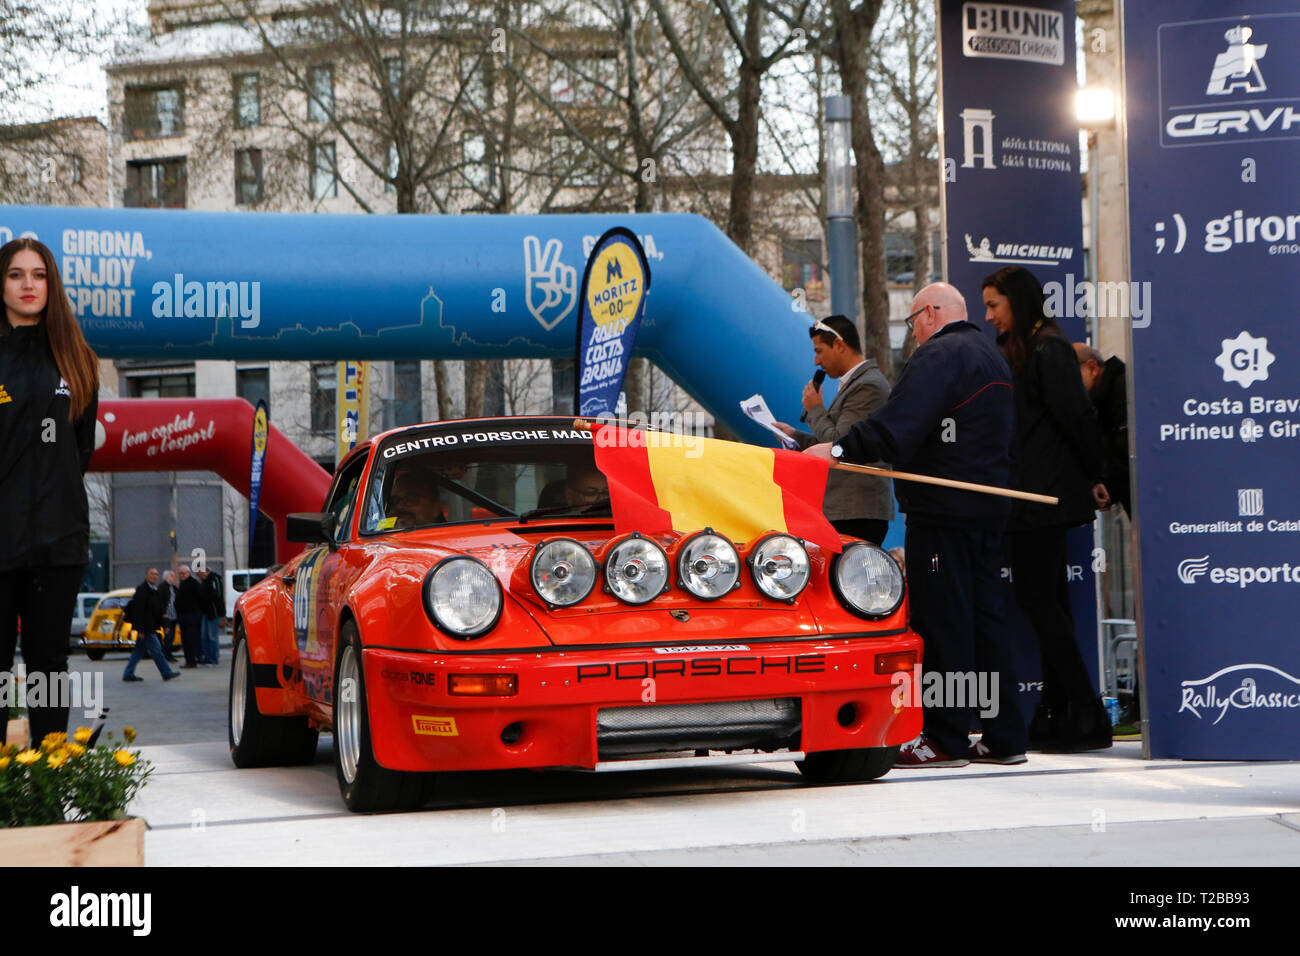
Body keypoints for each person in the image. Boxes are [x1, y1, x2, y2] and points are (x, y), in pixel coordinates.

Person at [805, 283, 1025, 767]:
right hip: (989, 506)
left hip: (943, 509)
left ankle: (945, 737)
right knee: (987, 621)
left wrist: (840, 449)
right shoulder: (991, 357)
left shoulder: (940, 355)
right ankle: (1005, 735)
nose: (913, 334)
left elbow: (900, 423)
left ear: (929, 314)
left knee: (944, 621)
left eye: (912, 322)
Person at [983, 266, 1111, 753]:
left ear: (1017, 301)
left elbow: (1077, 416)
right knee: (1049, 603)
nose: (989, 315)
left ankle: (1085, 711)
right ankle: (1060, 712)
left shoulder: (1047, 349)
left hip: (1044, 498)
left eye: (994, 305)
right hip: (1031, 495)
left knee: (1041, 602)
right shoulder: (1025, 349)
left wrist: (1097, 474)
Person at [0, 238, 100, 745]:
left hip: (58, 540)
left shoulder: (77, 357)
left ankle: (48, 772)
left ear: (51, 284)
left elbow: (79, 449)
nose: (28, 285)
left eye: (38, 275)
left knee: (48, 664)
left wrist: (51, 497)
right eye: (16, 274)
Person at [774, 314, 893, 545]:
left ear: (839, 345)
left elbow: (840, 445)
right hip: (845, 508)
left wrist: (815, 410)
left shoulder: (868, 385)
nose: (816, 362)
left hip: (856, 509)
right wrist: (794, 436)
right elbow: (833, 443)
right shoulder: (855, 383)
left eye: (819, 351)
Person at [1073, 343, 1130, 516]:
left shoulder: (1123, 390)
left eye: (1071, 375)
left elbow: (1124, 451)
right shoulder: (1104, 396)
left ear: (1092, 368)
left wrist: (1107, 487)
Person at [121, 568, 181, 682]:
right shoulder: (142, 590)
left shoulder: (154, 590)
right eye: (152, 574)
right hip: (146, 628)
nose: (154, 576)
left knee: (138, 651)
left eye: (156, 574)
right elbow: (139, 611)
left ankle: (128, 673)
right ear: (146, 576)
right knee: (157, 650)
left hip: (150, 626)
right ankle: (166, 672)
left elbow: (158, 610)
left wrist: (164, 625)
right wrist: (141, 630)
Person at [174, 563, 204, 668]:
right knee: (186, 640)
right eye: (180, 573)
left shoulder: (193, 583)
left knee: (190, 640)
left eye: (184, 573)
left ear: (188, 573)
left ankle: (192, 660)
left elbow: (200, 598)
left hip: (191, 616)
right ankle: (190, 660)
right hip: (184, 616)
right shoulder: (183, 583)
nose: (182, 575)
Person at [198, 567, 225, 666]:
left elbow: (217, 595)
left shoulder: (213, 579)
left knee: (212, 636)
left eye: (201, 573)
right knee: (204, 636)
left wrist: (222, 614)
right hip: (206, 612)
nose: (200, 575)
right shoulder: (205, 581)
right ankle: (208, 657)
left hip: (213, 612)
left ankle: (213, 658)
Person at [161, 569, 179, 662]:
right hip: (167, 616)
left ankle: (169, 654)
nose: (174, 577)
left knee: (172, 637)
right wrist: (163, 613)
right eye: (171, 576)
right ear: (166, 577)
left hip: (174, 615)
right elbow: (159, 601)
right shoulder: (162, 587)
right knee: (168, 636)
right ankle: (166, 655)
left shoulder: (174, 587)